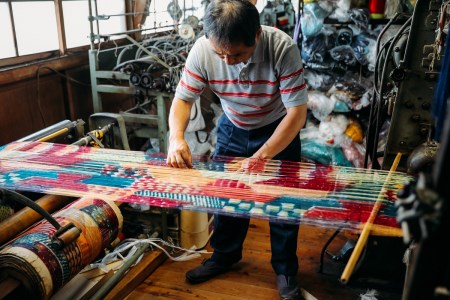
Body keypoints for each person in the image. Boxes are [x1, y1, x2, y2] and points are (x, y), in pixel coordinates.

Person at [166, 1, 308, 299]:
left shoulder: (282, 48)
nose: (228, 62)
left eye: (238, 54)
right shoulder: (203, 50)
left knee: (281, 203)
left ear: (256, 36)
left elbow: (297, 114)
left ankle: (285, 270)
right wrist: (176, 138)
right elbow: (182, 99)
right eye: (221, 54)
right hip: (232, 126)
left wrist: (263, 155)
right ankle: (224, 256)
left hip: (277, 127)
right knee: (227, 195)